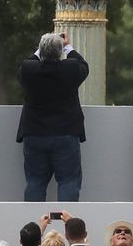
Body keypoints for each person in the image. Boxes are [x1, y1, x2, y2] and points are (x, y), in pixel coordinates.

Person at [19, 33, 90, 201]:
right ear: (60, 53)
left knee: (35, 181)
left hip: (34, 133)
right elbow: (84, 66)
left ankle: (34, 224)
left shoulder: (28, 69)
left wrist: (41, 49)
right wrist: (68, 46)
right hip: (65, 132)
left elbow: (28, 64)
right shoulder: (71, 68)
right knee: (68, 181)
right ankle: (67, 224)